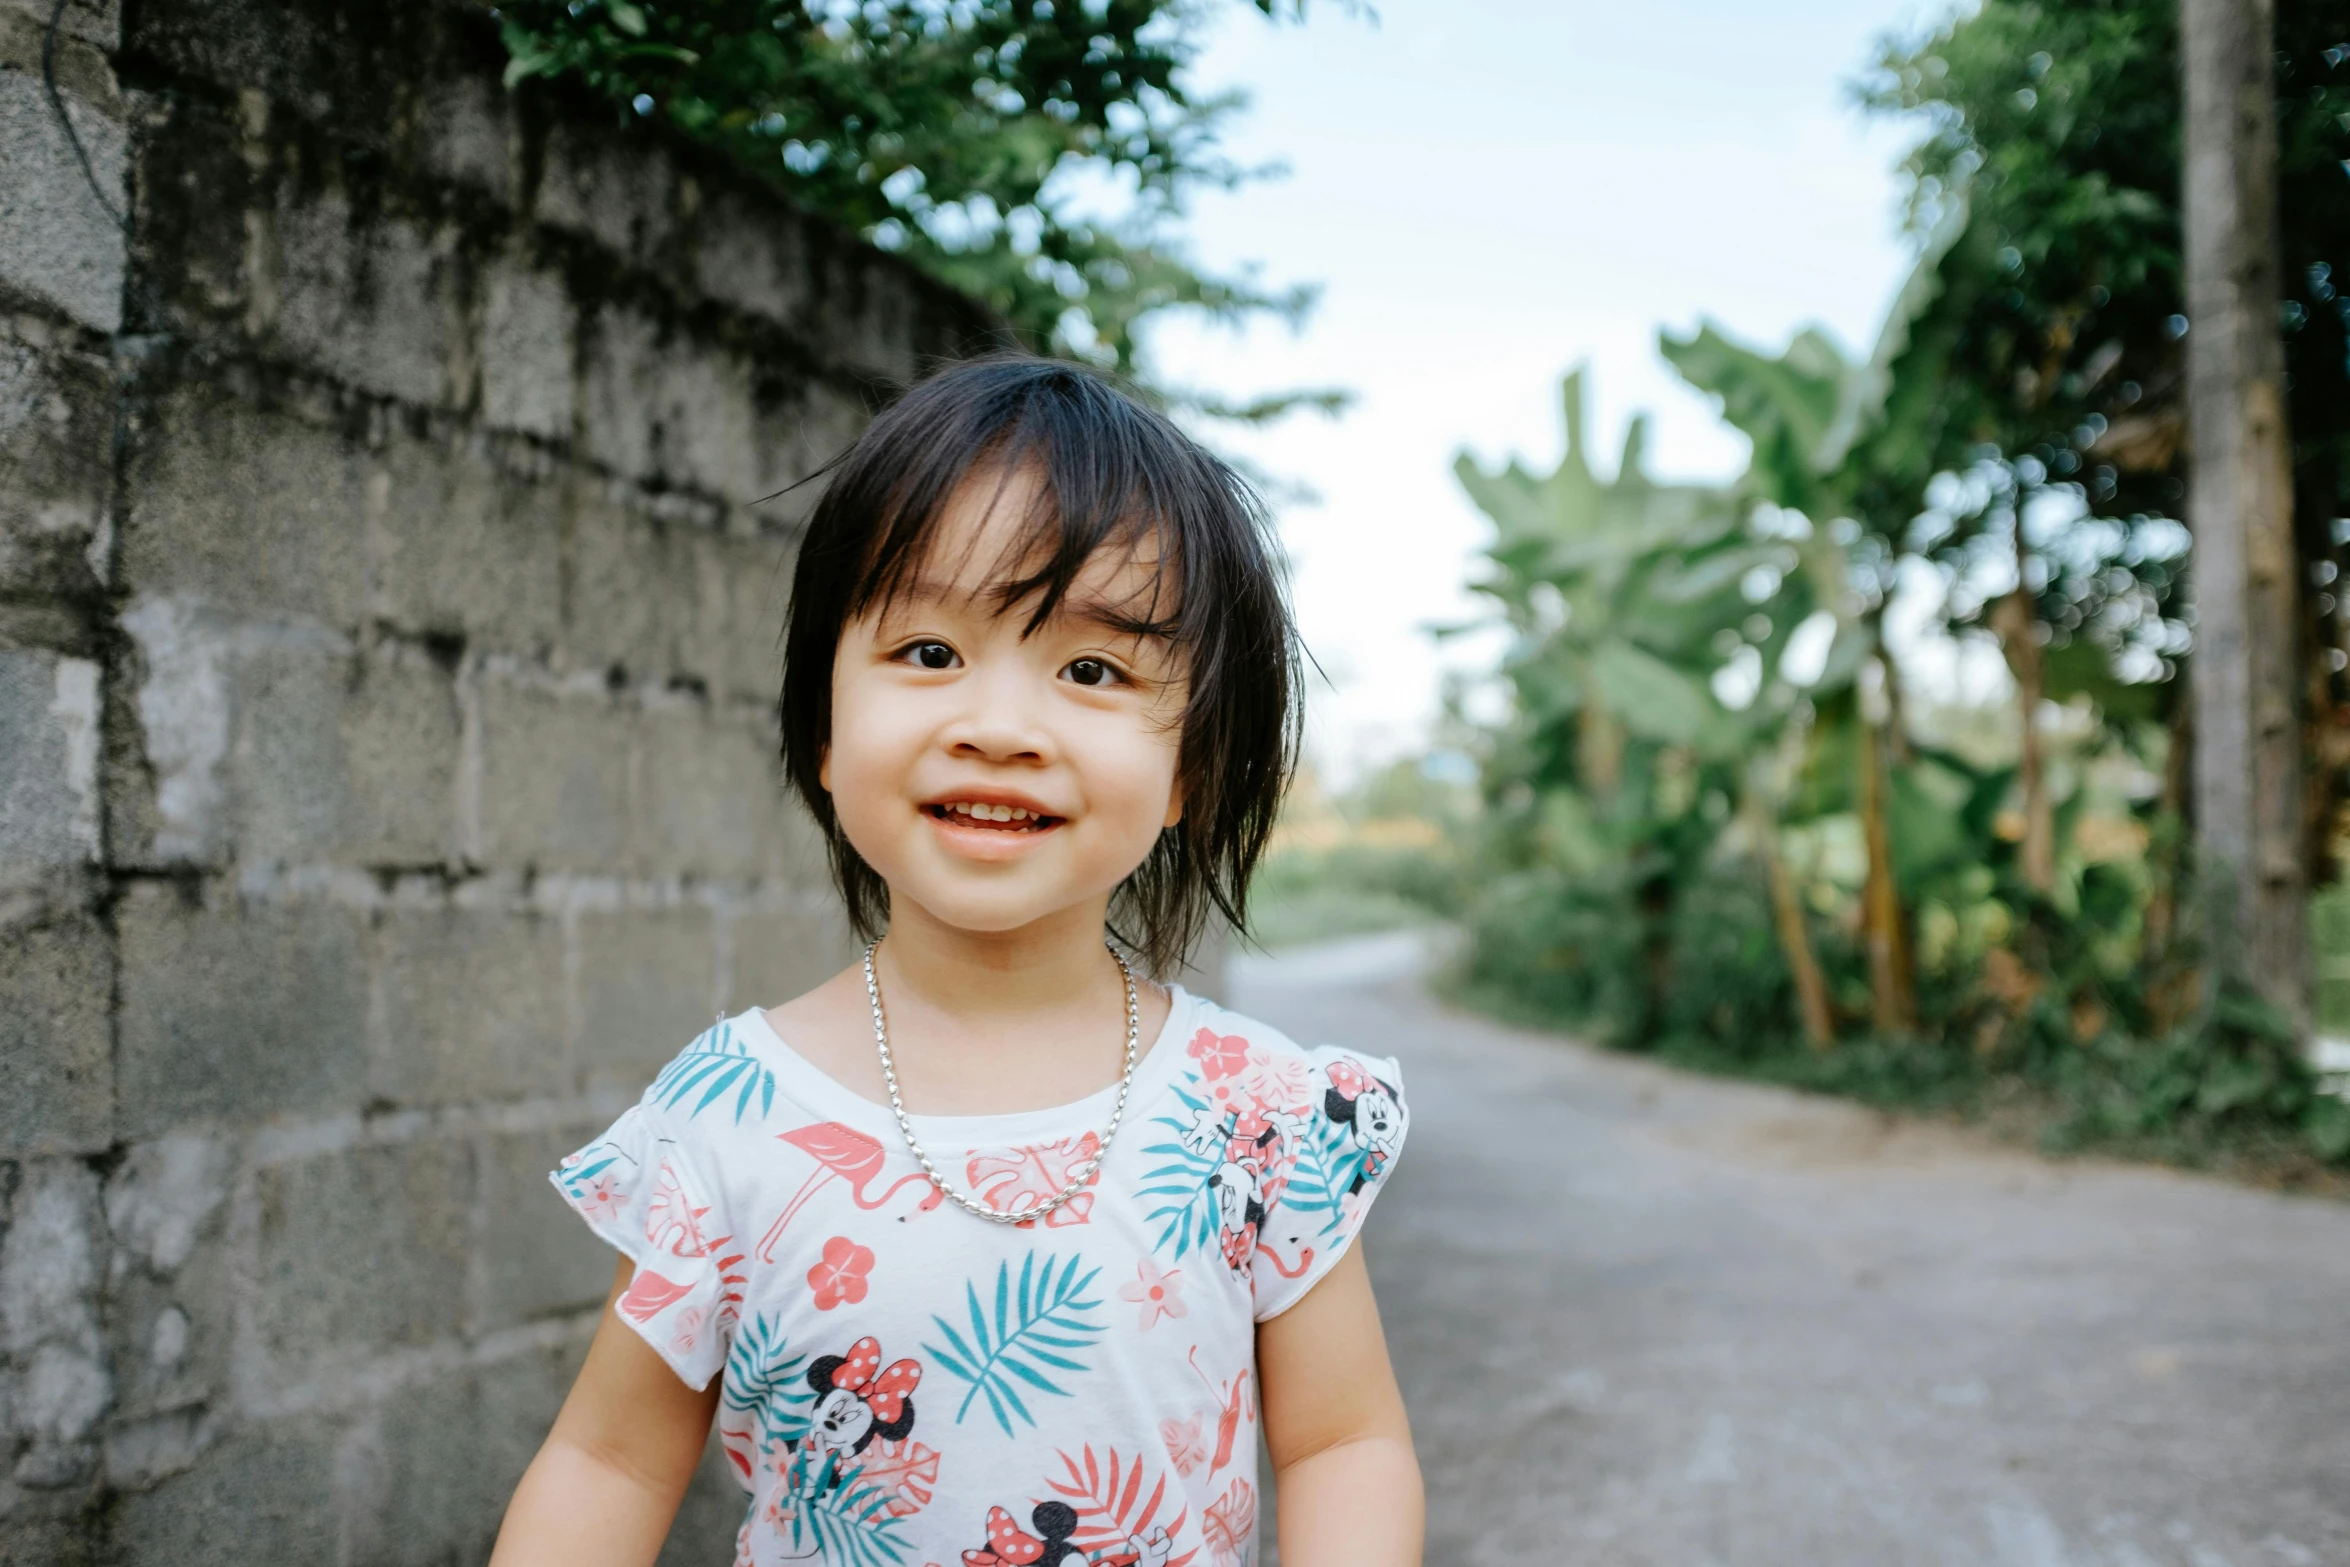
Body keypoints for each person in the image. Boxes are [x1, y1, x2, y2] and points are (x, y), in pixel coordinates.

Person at [491, 355, 1422, 1567]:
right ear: (824, 727)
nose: (998, 726)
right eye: (929, 651)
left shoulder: (1259, 1115)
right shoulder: (723, 1117)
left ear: (1190, 766)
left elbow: (1343, 1443)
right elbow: (605, 1460)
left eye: (1092, 669)